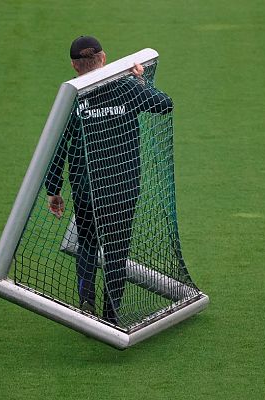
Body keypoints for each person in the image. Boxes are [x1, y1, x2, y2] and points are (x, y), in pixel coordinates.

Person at [45, 36, 173, 325]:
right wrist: (142, 82)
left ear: (74, 65)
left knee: (88, 243)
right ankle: (111, 315)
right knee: (116, 251)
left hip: (86, 189)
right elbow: (165, 104)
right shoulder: (126, 87)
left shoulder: (70, 97)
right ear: (103, 58)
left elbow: (57, 146)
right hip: (122, 189)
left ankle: (86, 301)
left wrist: (53, 190)